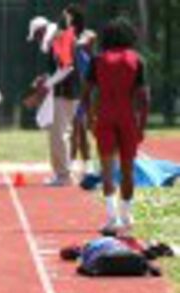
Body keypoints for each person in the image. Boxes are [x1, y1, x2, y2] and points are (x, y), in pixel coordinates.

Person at [82, 17, 150, 235]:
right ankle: (127, 217)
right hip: (128, 116)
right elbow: (144, 97)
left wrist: (89, 117)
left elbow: (87, 92)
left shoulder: (97, 60)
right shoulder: (136, 60)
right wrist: (141, 125)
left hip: (105, 115)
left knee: (107, 168)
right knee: (128, 169)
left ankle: (112, 219)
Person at [27, 10, 81, 187]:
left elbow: (67, 68)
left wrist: (47, 84)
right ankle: (60, 173)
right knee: (57, 133)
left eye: (35, 37)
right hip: (65, 91)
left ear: (41, 31)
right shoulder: (57, 38)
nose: (36, 41)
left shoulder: (58, 38)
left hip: (66, 92)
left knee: (59, 134)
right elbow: (61, 68)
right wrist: (46, 78)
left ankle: (64, 176)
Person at [71, 30, 97, 175]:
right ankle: (76, 162)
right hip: (79, 96)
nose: (91, 44)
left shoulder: (90, 57)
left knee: (84, 130)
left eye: (92, 42)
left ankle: (87, 163)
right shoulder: (79, 53)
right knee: (78, 129)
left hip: (87, 97)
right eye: (89, 42)